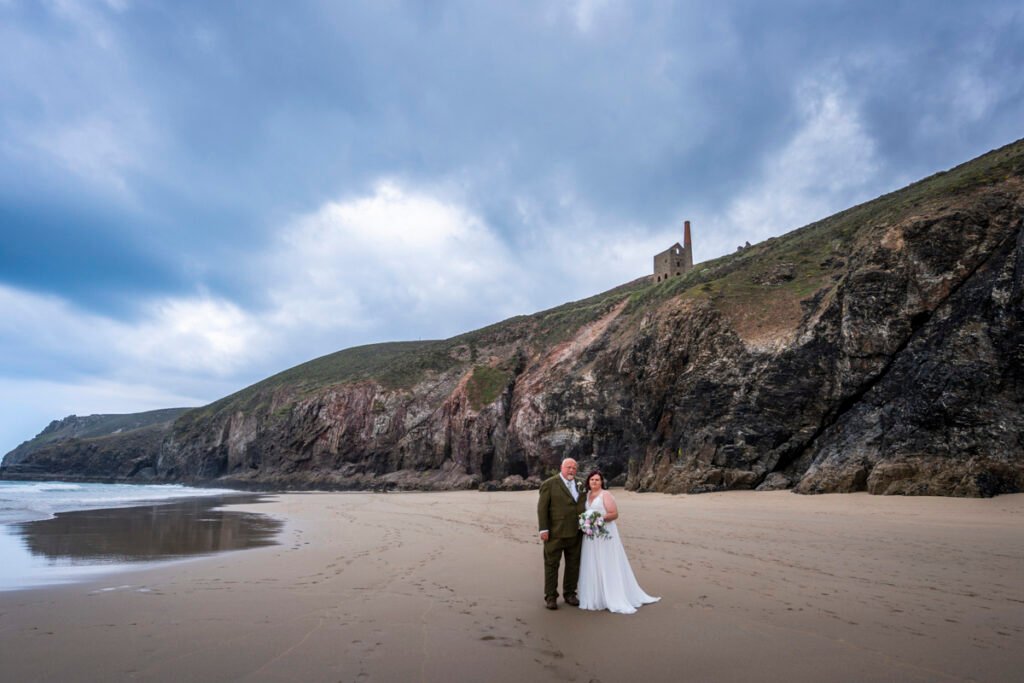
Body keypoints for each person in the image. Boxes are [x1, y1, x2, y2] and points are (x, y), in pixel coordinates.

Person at [578, 469, 660, 614]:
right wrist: (587, 522)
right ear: (588, 482)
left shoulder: (606, 495)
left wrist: (598, 519)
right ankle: (597, 596)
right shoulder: (587, 495)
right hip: (591, 535)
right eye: (592, 480)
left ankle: (612, 595)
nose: (594, 482)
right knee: (592, 562)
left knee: (607, 562)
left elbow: (614, 514)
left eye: (597, 479)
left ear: (602, 482)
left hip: (605, 534)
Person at [537, 458, 586, 610]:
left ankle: (570, 594)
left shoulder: (581, 484)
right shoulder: (549, 484)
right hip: (555, 533)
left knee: (573, 565)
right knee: (552, 565)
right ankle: (551, 597)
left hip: (576, 533)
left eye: (574, 468)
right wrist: (543, 529)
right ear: (561, 467)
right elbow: (542, 509)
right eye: (568, 467)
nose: (571, 470)